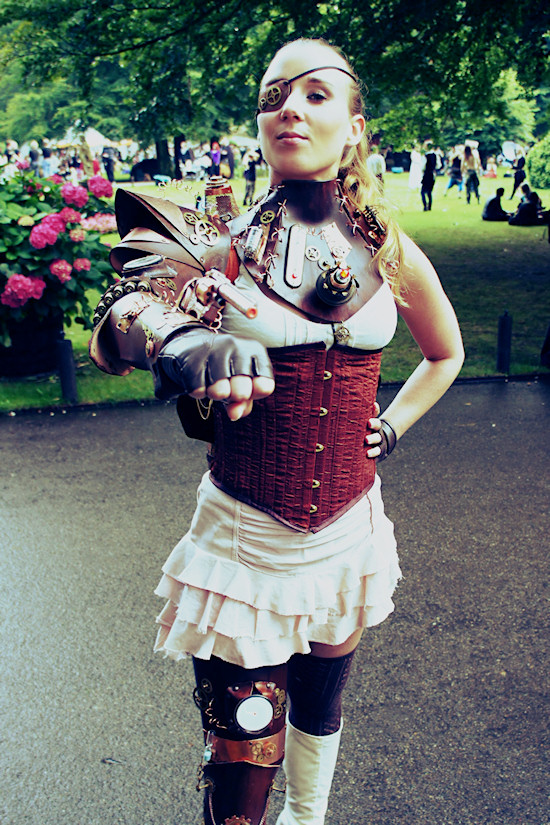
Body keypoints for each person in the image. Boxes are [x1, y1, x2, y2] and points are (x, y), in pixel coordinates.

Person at [89, 37, 464, 825]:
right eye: (273, 96)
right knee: (243, 759)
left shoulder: (385, 249)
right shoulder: (225, 244)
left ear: (355, 126)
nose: (289, 107)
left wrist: (390, 429)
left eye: (316, 94)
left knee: (320, 719)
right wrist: (185, 340)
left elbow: (445, 352)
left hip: (350, 534)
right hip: (247, 545)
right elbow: (119, 319)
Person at [420, 145, 437, 211]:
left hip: (426, 174)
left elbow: (423, 166)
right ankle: (429, 206)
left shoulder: (425, 156)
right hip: (432, 174)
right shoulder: (435, 155)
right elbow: (439, 165)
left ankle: (425, 205)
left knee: (422, 191)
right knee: (429, 192)